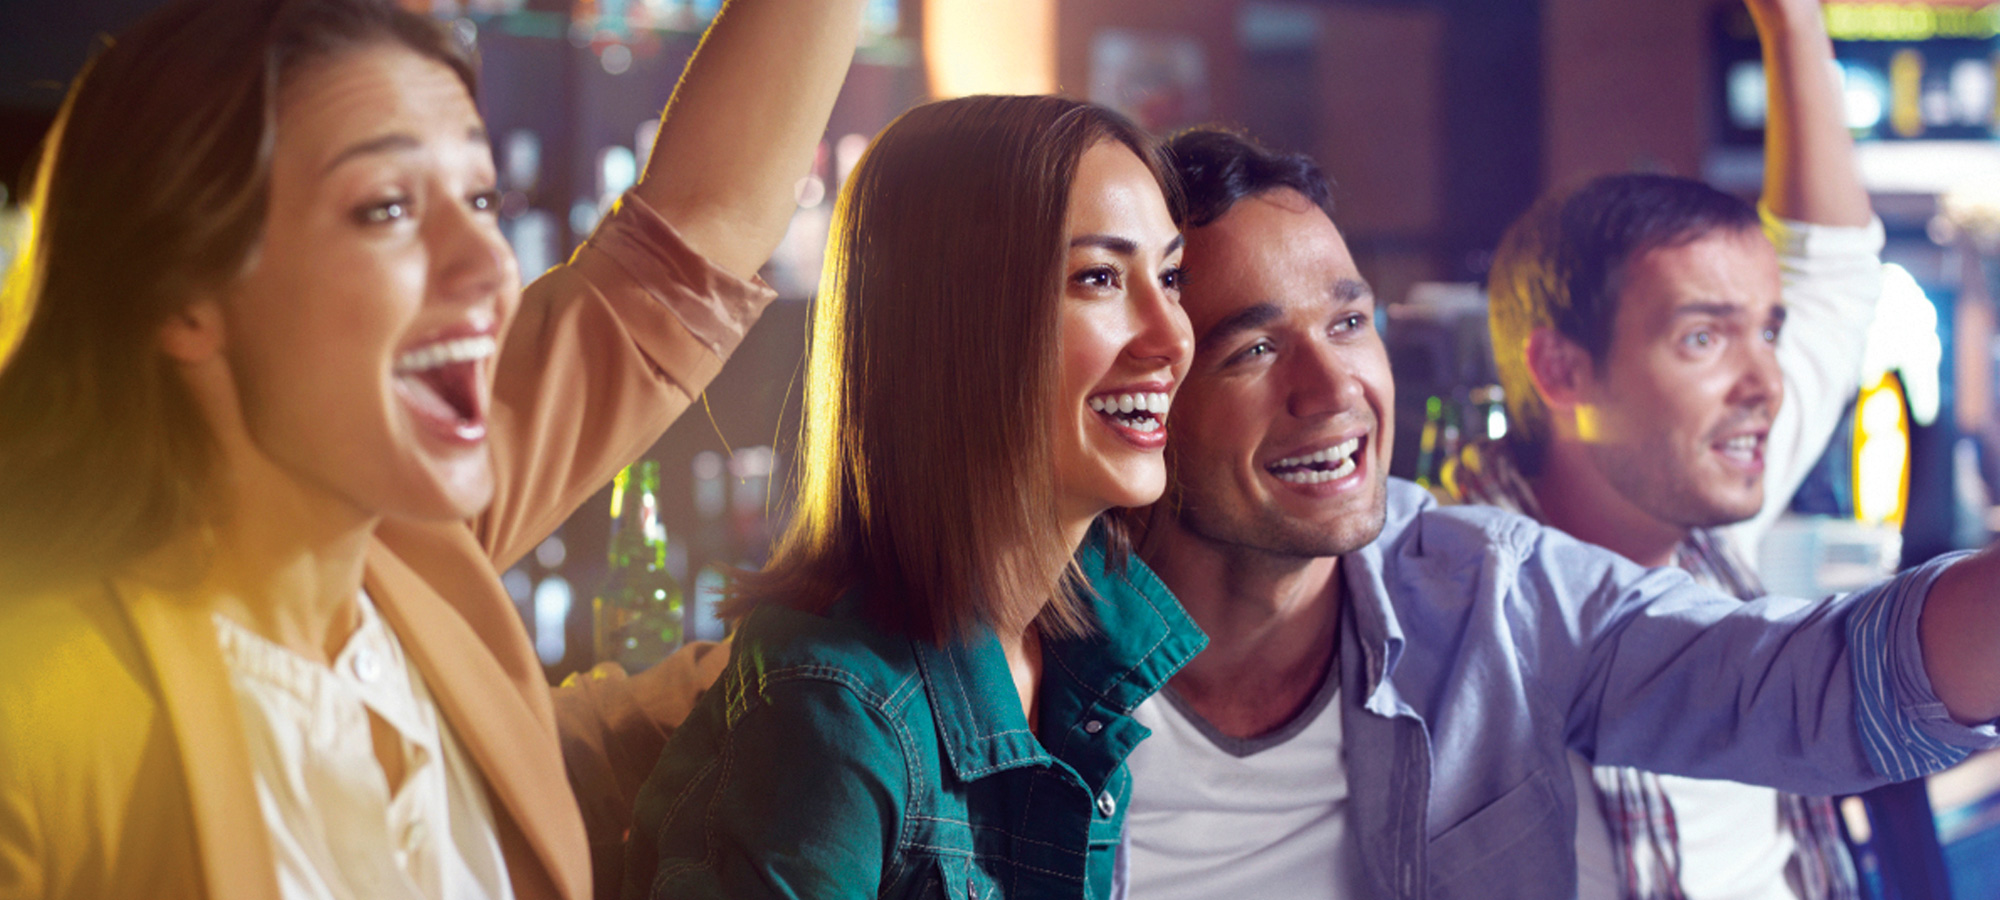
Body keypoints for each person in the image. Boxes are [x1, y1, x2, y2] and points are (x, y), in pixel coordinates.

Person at [0, 0, 862, 897]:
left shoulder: (412, 551)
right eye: (386, 208)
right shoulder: (39, 720)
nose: (487, 264)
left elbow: (704, 219)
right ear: (183, 294)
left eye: (480, 198)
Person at [1115, 123, 2000, 899]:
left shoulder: (1491, 593)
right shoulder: (1026, 646)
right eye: (1257, 347)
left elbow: (1813, 683)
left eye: (1351, 325)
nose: (1335, 388)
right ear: (1147, 394)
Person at [618, 94, 1201, 900]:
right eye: (1099, 278)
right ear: (956, 328)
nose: (1173, 337)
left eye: (1170, 277)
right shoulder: (828, 717)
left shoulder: (1080, 646)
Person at [1455, 0, 1880, 895]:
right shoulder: (1449, 612)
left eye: (1769, 329)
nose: (1765, 382)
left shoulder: (1702, 492)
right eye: (1702, 337)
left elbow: (1835, 268)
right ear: (1565, 372)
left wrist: (1793, 23)